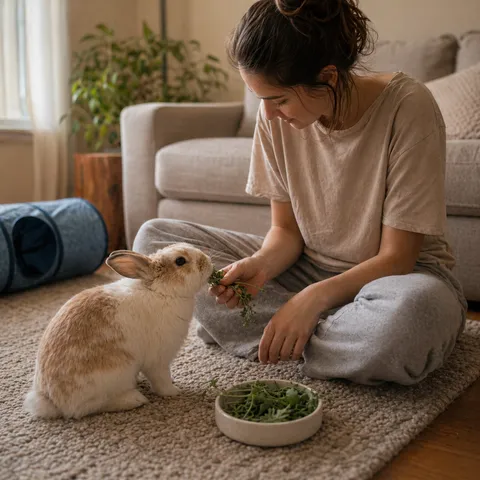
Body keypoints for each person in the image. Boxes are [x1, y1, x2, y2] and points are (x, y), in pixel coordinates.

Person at [133, 0, 468, 386]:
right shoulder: (272, 115)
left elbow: (398, 256)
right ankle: (315, 338)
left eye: (280, 99)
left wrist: (311, 300)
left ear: (327, 77)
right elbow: (287, 233)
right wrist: (261, 265)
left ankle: (275, 334)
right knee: (155, 241)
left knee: (409, 322)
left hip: (400, 278)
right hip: (307, 268)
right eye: (263, 100)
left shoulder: (408, 106)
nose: (270, 114)